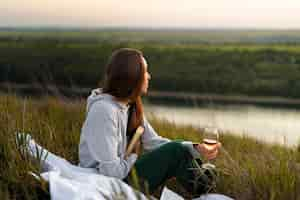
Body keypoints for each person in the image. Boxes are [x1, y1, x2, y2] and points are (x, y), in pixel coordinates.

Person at [78, 48, 221, 195]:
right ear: (132, 77)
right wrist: (134, 154)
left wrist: (197, 148)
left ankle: (206, 188)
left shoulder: (130, 104)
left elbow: (153, 142)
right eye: (145, 72)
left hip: (121, 176)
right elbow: (110, 172)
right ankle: (208, 193)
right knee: (177, 151)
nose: (149, 76)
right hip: (106, 185)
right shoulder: (104, 111)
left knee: (184, 154)